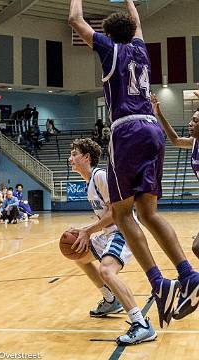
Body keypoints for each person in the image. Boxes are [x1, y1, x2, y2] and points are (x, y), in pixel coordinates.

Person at [69, 0, 199, 328]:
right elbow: (139, 23)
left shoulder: (110, 49)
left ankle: (159, 283)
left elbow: (75, 19)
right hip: (153, 131)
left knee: (124, 213)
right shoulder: (141, 50)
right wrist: (130, 1)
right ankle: (189, 275)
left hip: (126, 129)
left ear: (109, 34)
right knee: (149, 213)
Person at [69, 138, 156, 345]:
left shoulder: (100, 176)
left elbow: (117, 212)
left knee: (106, 271)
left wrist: (87, 231)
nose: (70, 158)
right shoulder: (89, 182)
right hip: (110, 233)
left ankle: (141, 324)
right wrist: (83, 232)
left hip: (123, 231)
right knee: (80, 256)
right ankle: (110, 300)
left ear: (86, 157)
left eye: (74, 154)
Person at [152, 95, 199, 259]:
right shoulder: (194, 143)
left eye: (195, 120)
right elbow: (175, 139)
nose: (190, 123)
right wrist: (159, 114)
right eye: (192, 120)